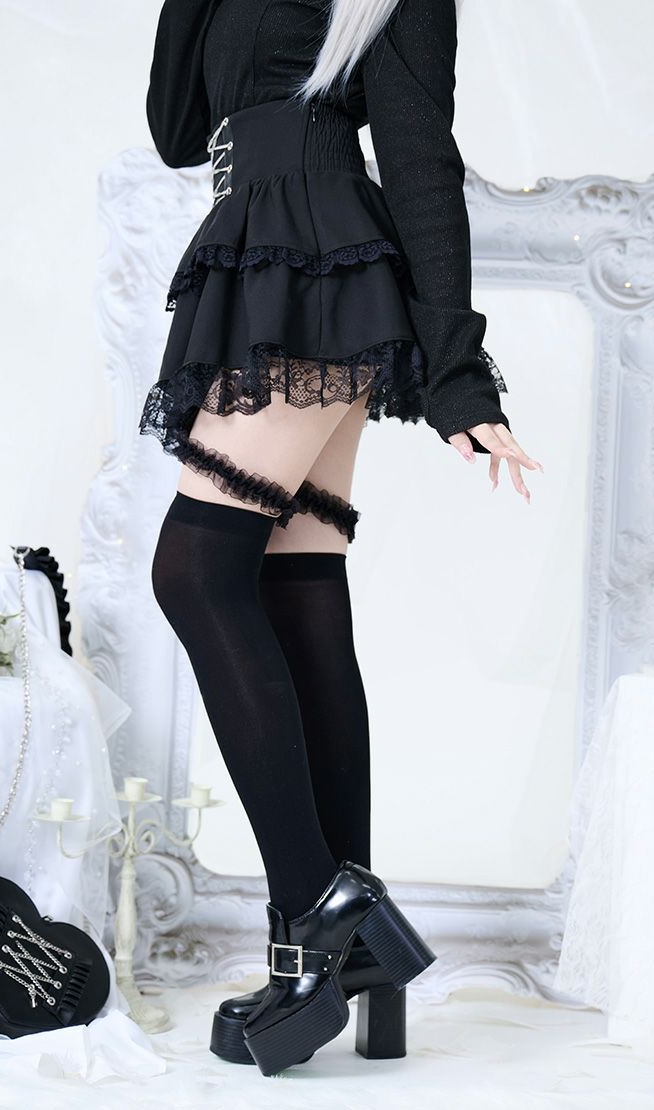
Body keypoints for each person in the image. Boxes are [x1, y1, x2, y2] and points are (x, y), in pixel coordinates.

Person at [142, 0, 542, 1076]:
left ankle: (317, 907)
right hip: (270, 244)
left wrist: (459, 374)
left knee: (194, 570)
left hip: (312, 253)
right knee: (294, 589)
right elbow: (176, 130)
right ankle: (351, 951)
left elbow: (420, 159)